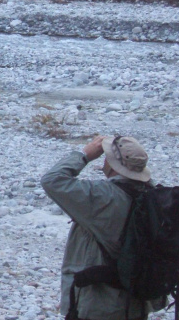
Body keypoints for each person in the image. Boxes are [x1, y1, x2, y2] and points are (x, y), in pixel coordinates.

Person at [40, 135, 166, 320]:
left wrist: (84, 155)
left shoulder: (102, 196)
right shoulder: (152, 196)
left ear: (112, 164)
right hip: (137, 300)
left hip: (98, 303)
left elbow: (52, 180)